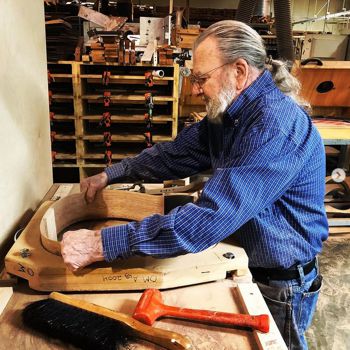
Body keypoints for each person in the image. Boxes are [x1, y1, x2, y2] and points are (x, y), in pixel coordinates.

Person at [61, 20, 328, 349]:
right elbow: (173, 155)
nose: (195, 89)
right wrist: (112, 174)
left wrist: (103, 244)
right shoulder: (229, 113)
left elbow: (211, 218)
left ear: (239, 71)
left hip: (281, 282)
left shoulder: (275, 125)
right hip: (244, 260)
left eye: (202, 79)